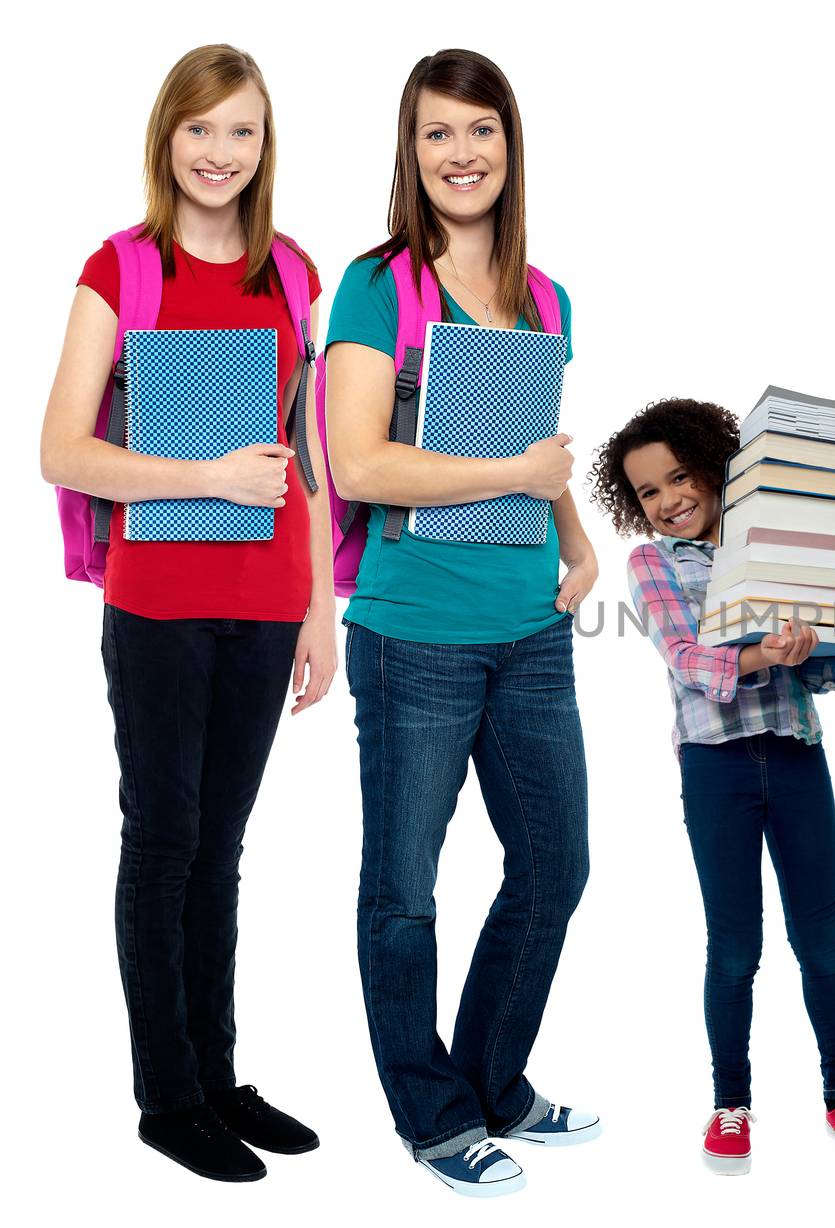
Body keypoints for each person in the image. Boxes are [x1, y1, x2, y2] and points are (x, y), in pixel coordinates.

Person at [39, 44, 332, 1183]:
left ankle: (217, 1073)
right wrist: (207, 477)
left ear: (266, 146)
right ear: (169, 138)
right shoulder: (120, 268)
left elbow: (305, 451)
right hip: (157, 602)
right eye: (202, 130)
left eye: (244, 132)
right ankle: (167, 1095)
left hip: (267, 605)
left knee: (222, 848)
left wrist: (317, 609)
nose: (222, 154)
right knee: (162, 843)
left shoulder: (293, 271)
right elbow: (61, 447)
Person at [323, 48, 598, 1198]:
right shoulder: (378, 285)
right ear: (411, 151)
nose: (461, 153)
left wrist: (577, 542)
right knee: (405, 886)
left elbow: (541, 456)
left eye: (479, 129)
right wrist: (515, 468)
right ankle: (432, 1118)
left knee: (555, 864)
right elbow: (358, 459)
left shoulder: (546, 297)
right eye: (437, 134)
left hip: (527, 622)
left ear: (508, 142)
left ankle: (491, 1081)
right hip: (412, 631)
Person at [589, 398, 835, 1175]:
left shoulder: (770, 547)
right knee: (735, 947)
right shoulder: (652, 564)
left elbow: (817, 668)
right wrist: (765, 655)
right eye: (649, 492)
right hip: (717, 768)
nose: (670, 499)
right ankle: (729, 1104)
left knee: (822, 939)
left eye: (680, 477)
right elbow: (687, 661)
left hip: (798, 754)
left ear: (715, 467)